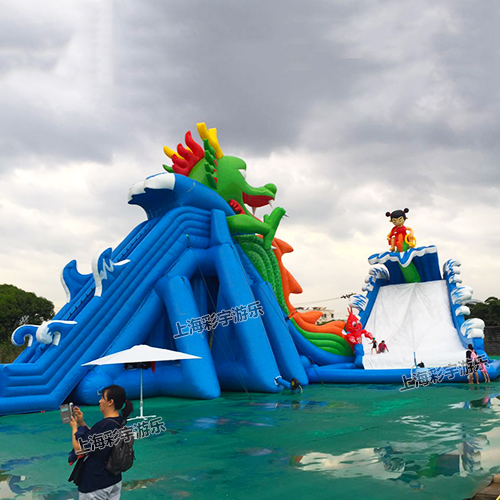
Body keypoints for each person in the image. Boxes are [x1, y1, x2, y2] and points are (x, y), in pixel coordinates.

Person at [68, 385, 133, 499]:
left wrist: (74, 428)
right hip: (113, 480)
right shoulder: (119, 422)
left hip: (96, 483)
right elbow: (94, 438)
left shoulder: (103, 425)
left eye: (103, 398)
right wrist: (81, 423)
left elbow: (79, 449)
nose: (99, 401)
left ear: (110, 402)